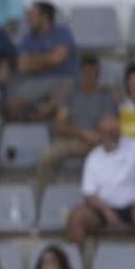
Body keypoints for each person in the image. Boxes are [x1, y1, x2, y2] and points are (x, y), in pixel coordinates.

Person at [66, 115, 135, 251]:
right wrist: (106, 211)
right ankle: (79, 260)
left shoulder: (133, 145)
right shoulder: (93, 157)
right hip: (103, 209)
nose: (112, 135)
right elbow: (89, 194)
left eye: (115, 131)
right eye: (107, 132)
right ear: (100, 133)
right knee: (76, 217)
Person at [38, 56, 116, 189]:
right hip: (70, 139)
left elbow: (109, 126)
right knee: (46, 157)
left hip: (98, 140)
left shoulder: (106, 99)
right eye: (85, 73)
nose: (88, 77)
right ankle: (41, 197)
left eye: (92, 73)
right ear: (80, 74)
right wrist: (82, 134)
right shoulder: (70, 96)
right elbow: (60, 126)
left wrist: (94, 139)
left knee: (112, 155)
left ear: (97, 74)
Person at [7, 1, 78, 122]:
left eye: (32, 15)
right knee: (11, 104)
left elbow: (57, 59)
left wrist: (34, 60)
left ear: (44, 18)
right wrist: (49, 57)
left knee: (66, 90)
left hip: (62, 80)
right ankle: (21, 130)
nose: (28, 19)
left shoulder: (62, 32)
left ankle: (42, 115)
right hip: (36, 81)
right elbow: (23, 66)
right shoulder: (27, 38)